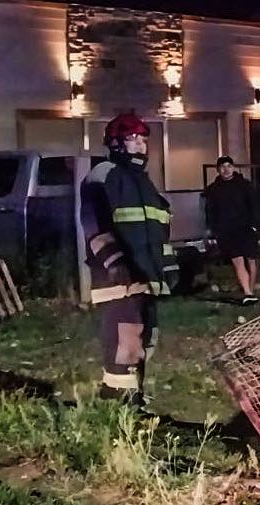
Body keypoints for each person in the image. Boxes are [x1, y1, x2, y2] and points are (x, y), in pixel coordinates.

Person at [80, 113, 177, 408]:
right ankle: (120, 402)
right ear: (116, 143)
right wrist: (115, 261)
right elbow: (93, 224)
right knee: (127, 336)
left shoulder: (144, 183)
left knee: (148, 338)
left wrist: (168, 266)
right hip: (117, 275)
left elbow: (159, 229)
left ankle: (132, 397)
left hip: (146, 274)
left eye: (144, 140)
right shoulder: (103, 174)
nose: (141, 145)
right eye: (134, 139)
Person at [203, 156, 259, 306]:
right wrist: (213, 230)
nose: (226, 169)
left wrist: (254, 224)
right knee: (237, 260)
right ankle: (248, 292)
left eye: (229, 166)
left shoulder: (244, 185)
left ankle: (251, 289)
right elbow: (210, 211)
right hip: (227, 230)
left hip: (246, 228)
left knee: (251, 260)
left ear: (233, 168)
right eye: (222, 167)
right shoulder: (214, 189)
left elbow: (254, 205)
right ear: (218, 170)